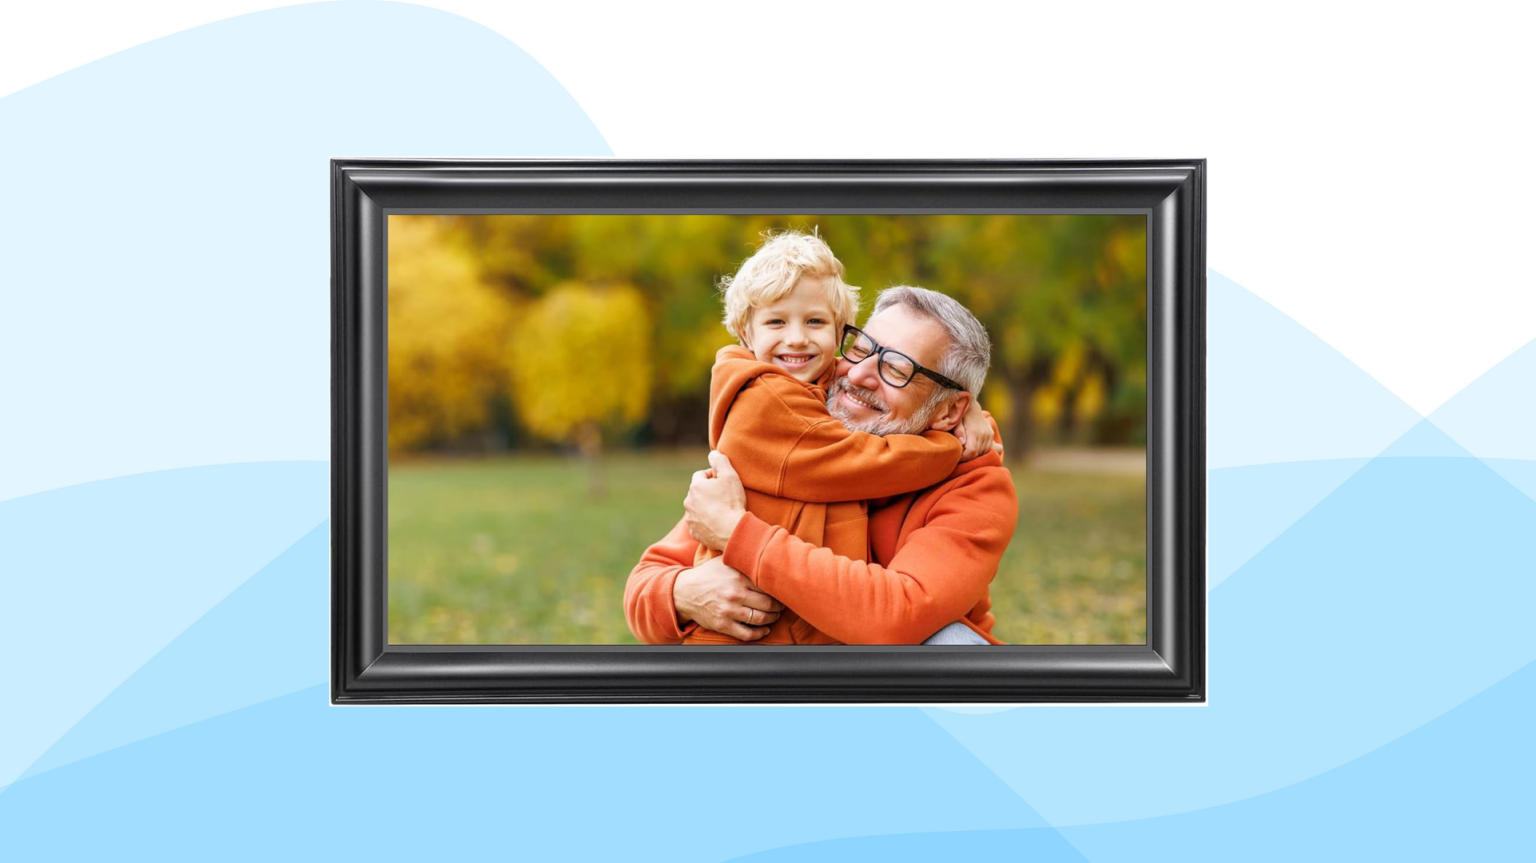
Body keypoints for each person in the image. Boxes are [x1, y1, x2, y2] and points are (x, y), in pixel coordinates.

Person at [624, 285, 1018, 645]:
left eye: (897, 369)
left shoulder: (976, 487)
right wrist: (683, 593)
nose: (860, 375)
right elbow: (644, 584)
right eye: (862, 347)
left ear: (950, 410)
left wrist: (738, 535)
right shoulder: (801, 438)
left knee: (952, 645)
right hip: (777, 683)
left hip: (883, 691)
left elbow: (898, 614)